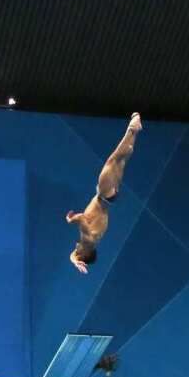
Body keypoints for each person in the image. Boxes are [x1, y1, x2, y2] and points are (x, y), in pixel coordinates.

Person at [66, 113, 142, 273]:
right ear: (85, 253)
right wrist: (70, 220)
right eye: (79, 252)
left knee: (122, 159)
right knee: (113, 160)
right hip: (103, 195)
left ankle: (135, 131)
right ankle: (132, 128)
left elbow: (72, 255)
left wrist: (75, 262)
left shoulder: (90, 245)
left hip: (110, 198)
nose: (75, 247)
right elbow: (80, 217)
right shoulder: (88, 240)